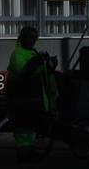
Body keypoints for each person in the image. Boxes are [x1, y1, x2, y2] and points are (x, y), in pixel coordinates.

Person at [6, 26, 58, 163]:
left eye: (34, 38)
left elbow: (41, 73)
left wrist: (50, 65)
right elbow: (24, 71)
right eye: (30, 38)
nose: (33, 41)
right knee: (23, 128)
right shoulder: (18, 54)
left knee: (28, 128)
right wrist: (39, 60)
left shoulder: (32, 53)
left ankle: (27, 151)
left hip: (30, 100)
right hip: (21, 100)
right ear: (22, 38)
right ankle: (24, 153)